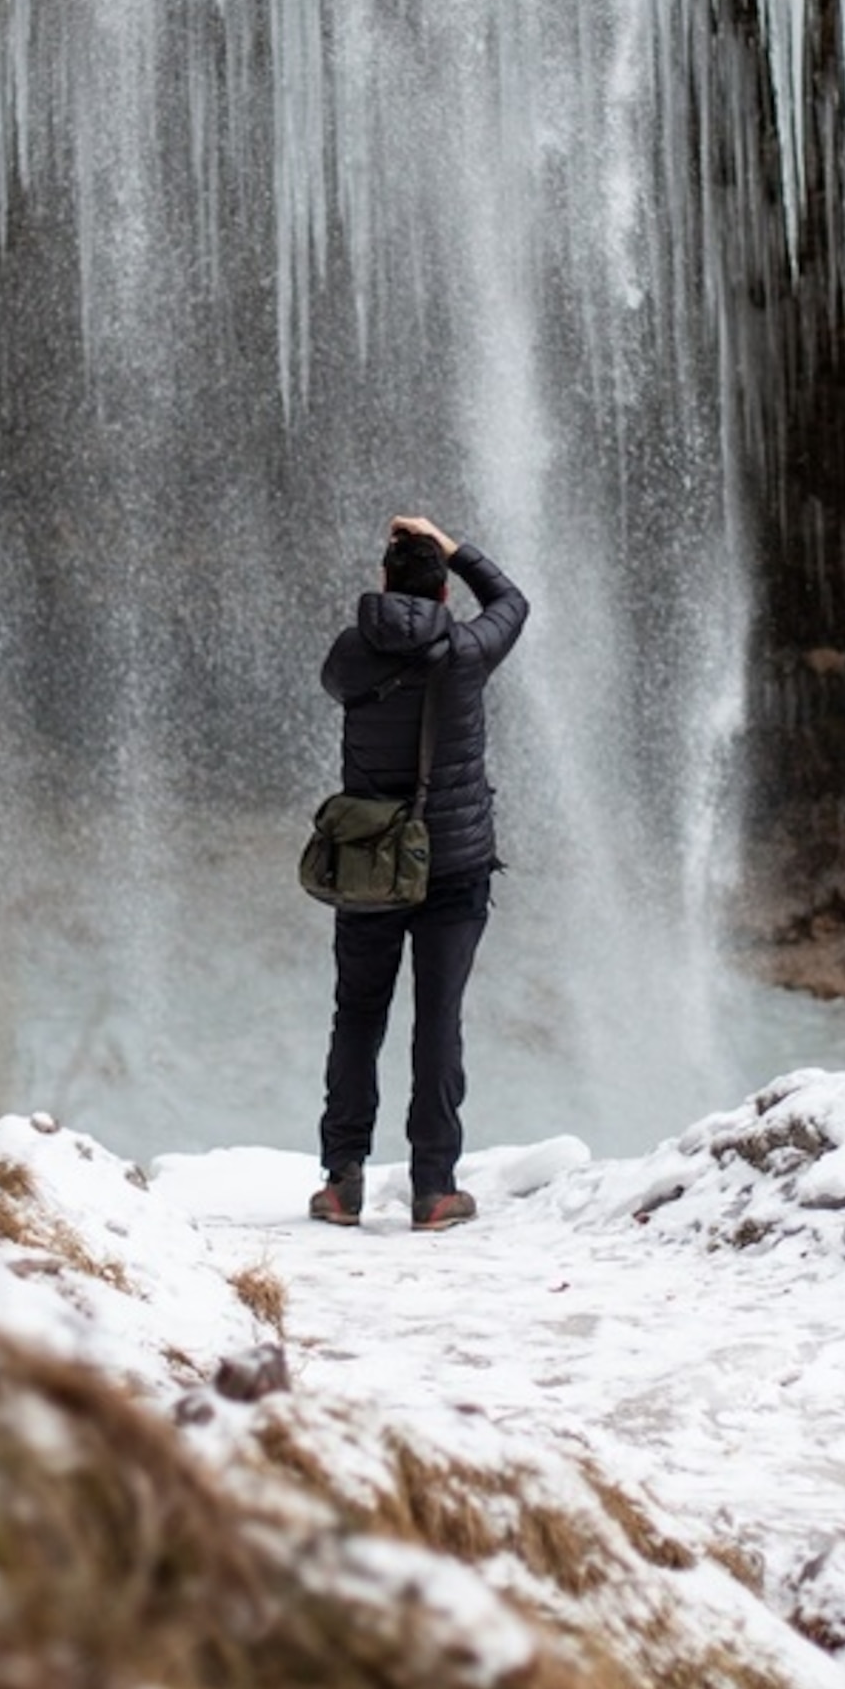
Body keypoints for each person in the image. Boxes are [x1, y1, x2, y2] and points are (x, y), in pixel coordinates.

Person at [309, 513, 529, 1231]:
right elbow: (512, 603)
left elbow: (345, 680)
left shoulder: (349, 654)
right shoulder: (466, 651)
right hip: (455, 865)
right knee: (438, 1022)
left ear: (380, 582)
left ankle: (343, 1183)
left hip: (371, 863)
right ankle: (434, 1190)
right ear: (443, 596)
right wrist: (453, 544)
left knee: (357, 1016)